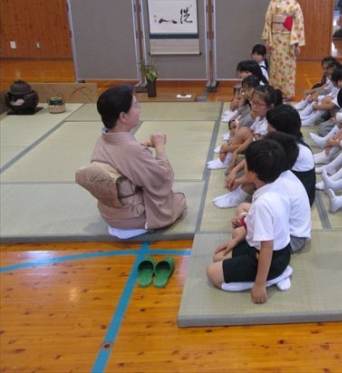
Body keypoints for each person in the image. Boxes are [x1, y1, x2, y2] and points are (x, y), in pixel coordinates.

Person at [77, 84, 187, 239]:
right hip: (133, 218)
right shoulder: (132, 149)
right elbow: (162, 179)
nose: (139, 109)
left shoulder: (103, 139)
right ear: (123, 116)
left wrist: (144, 145)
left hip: (109, 214)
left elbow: (123, 160)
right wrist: (160, 147)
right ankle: (146, 223)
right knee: (180, 200)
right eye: (136, 105)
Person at [206, 139, 292, 304]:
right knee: (218, 256)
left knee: (212, 273)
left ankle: (271, 278)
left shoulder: (263, 204)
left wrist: (259, 285)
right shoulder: (276, 186)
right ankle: (271, 274)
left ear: (253, 174)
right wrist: (236, 241)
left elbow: (267, 247)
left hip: (269, 257)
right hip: (272, 249)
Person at [262, 0, 306, 100]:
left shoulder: (295, 5)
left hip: (289, 40)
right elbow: (268, 21)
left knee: (288, 67)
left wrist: (297, 44)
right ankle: (275, 91)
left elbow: (299, 24)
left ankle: (287, 93)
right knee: (275, 66)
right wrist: (267, 40)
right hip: (276, 39)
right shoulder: (273, 3)